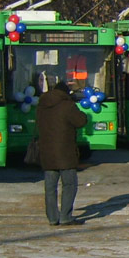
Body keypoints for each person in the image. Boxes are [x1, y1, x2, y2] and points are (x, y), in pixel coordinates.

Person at [36, 82, 89, 226]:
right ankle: (66, 217)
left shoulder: (42, 106)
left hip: (47, 151)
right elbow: (81, 121)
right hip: (65, 152)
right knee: (69, 184)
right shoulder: (67, 105)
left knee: (50, 187)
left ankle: (53, 218)